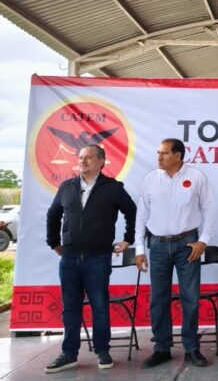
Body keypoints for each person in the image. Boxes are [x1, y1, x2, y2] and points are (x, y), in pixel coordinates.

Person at [45, 144, 136, 373]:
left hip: (98, 258)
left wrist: (128, 239)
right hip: (69, 259)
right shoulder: (66, 187)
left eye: (88, 157)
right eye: (81, 157)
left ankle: (102, 351)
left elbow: (132, 211)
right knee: (70, 308)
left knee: (99, 306)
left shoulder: (113, 188)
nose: (83, 161)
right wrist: (54, 243)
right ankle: (69, 354)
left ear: (101, 162)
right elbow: (53, 214)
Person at [134, 138, 216, 369]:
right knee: (158, 298)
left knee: (190, 298)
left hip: (188, 245)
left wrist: (203, 241)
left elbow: (209, 209)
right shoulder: (151, 179)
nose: (159, 157)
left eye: (164, 153)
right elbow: (142, 215)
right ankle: (162, 348)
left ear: (178, 155)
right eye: (158, 153)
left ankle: (191, 348)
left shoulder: (196, 177)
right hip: (158, 245)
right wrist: (139, 248)